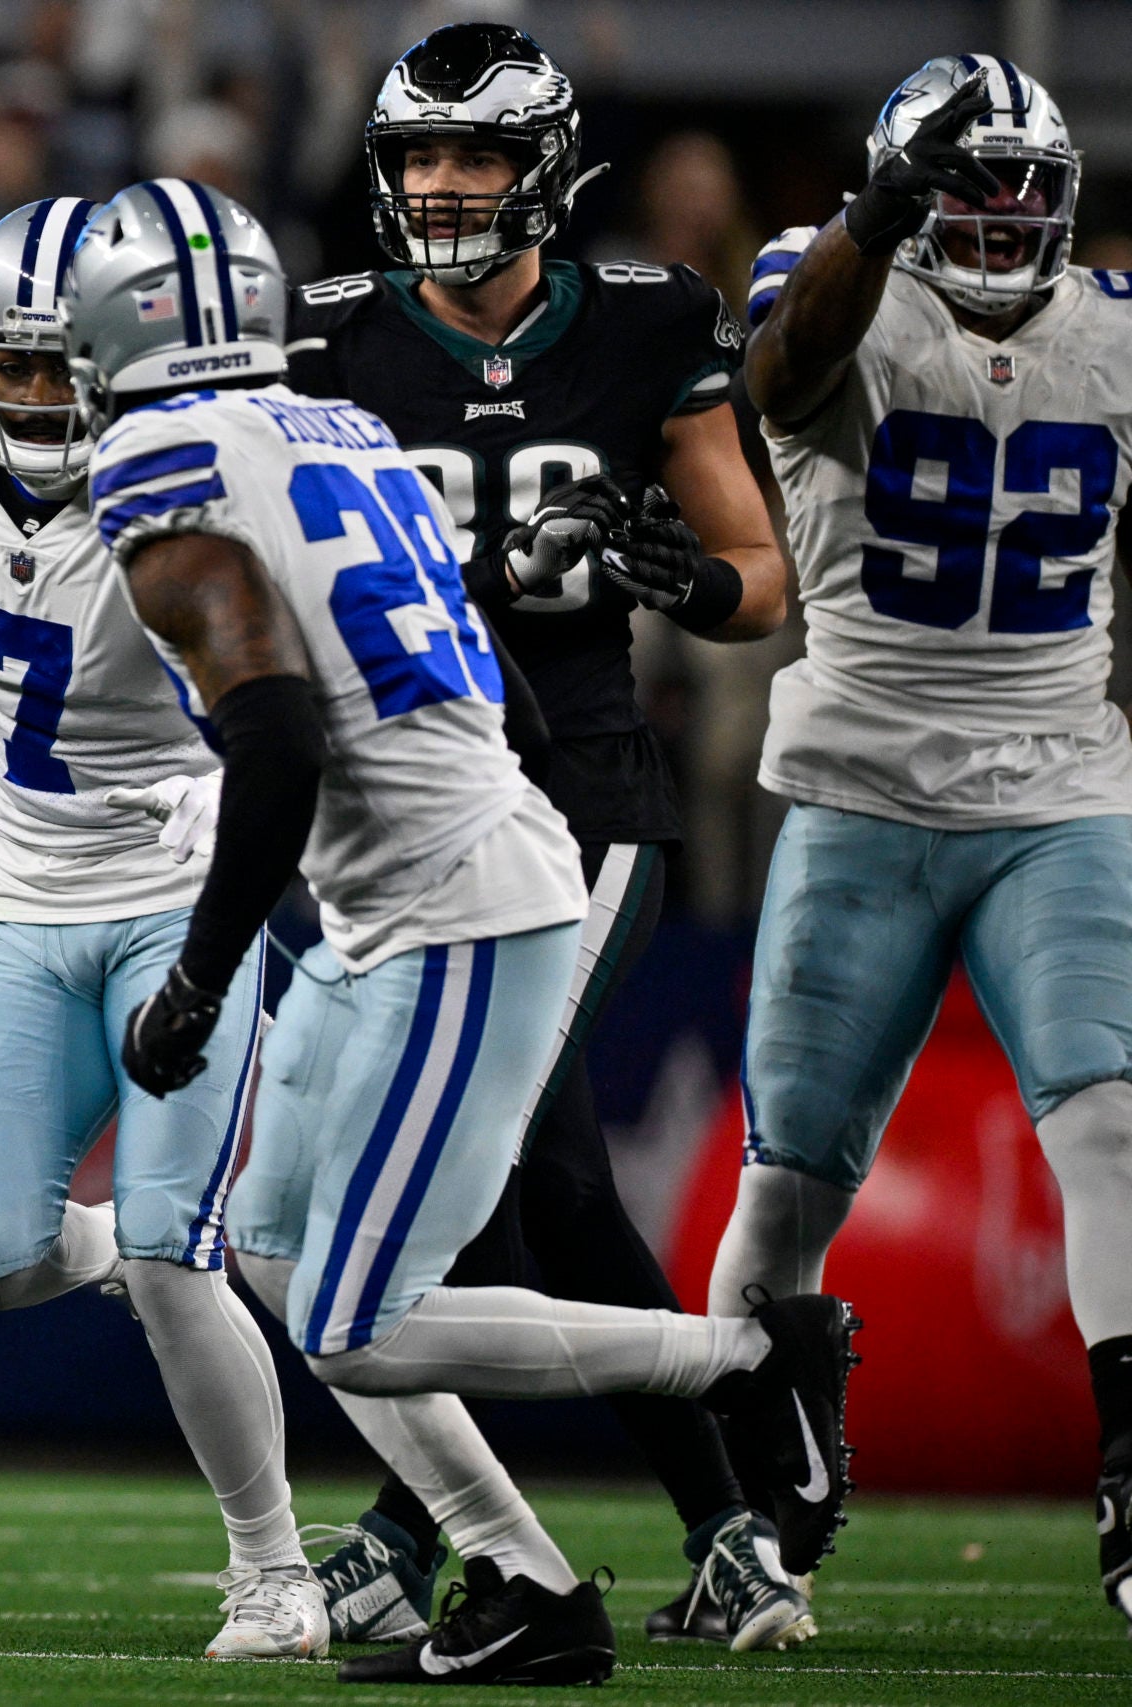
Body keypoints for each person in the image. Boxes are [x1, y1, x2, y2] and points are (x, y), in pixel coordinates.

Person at [64, 173, 860, 1686]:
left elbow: (285, 735)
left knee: (365, 1319)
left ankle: (750, 1354)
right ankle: (524, 1580)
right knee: (283, 1257)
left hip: (444, 904)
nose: (36, 390)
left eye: (54, 355)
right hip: (427, 876)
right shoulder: (341, 425)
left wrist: (201, 972)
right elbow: (470, 645)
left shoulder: (162, 459)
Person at [279, 23, 803, 1651]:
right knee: (554, 1183)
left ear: (547, 169)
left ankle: (423, 1529)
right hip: (408, 812)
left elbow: (757, 575)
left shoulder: (647, 324)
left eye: (477, 157)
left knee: (492, 1148)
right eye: (421, 158)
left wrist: (678, 577)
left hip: (583, 793)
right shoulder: (333, 341)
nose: (442, 186)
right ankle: (739, 1508)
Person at [731, 54, 1132, 1636]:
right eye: (963, 186)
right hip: (860, 785)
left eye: (1021, 187)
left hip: (1058, 787)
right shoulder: (827, 284)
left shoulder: (1113, 327)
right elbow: (782, 369)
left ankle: (1130, 1476)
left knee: (1107, 1116)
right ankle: (749, 1527)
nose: (997, 215)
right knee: (785, 1193)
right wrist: (878, 216)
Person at [0, 197, 323, 1660]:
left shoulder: (195, 484)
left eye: (58, 365)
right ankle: (170, 1231)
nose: (29, 397)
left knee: (163, 1250)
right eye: (5, 366)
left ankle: (275, 1566)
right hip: (17, 897)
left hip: (175, 888)